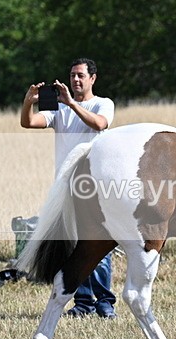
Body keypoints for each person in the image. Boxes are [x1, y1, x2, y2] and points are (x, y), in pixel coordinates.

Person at [20, 58, 118, 318]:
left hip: (94, 186)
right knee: (74, 248)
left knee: (98, 246)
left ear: (92, 79)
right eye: (72, 75)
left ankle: (104, 303)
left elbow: (99, 124)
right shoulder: (58, 110)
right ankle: (83, 303)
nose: (75, 80)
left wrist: (72, 103)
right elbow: (28, 123)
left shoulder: (103, 103)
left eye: (80, 76)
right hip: (67, 188)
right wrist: (29, 102)